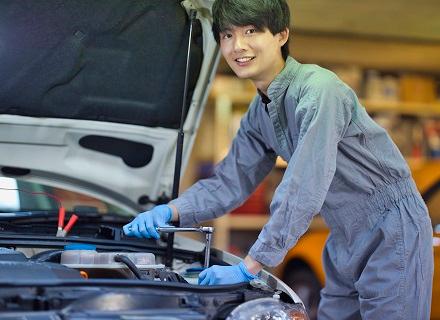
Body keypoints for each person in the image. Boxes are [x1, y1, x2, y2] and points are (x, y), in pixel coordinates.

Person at [123, 0, 434, 318]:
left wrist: (251, 265)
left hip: (392, 229)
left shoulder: (320, 91)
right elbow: (230, 181)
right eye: (227, 35)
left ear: (282, 35)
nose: (237, 46)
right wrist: (171, 211)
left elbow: (304, 185)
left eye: (251, 31)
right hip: (343, 234)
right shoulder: (259, 113)